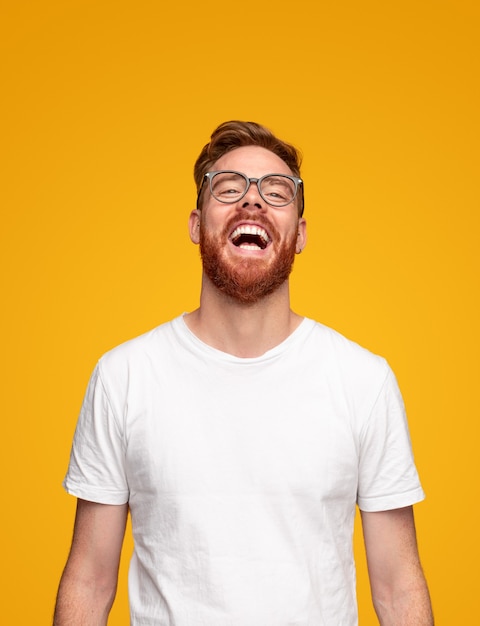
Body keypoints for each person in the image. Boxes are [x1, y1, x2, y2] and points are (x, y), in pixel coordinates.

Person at [54, 121, 433, 625]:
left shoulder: (363, 380)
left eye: (275, 193)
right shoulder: (124, 376)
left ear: (299, 235)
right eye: (229, 188)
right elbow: (90, 577)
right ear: (195, 225)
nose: (252, 202)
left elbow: (397, 586)